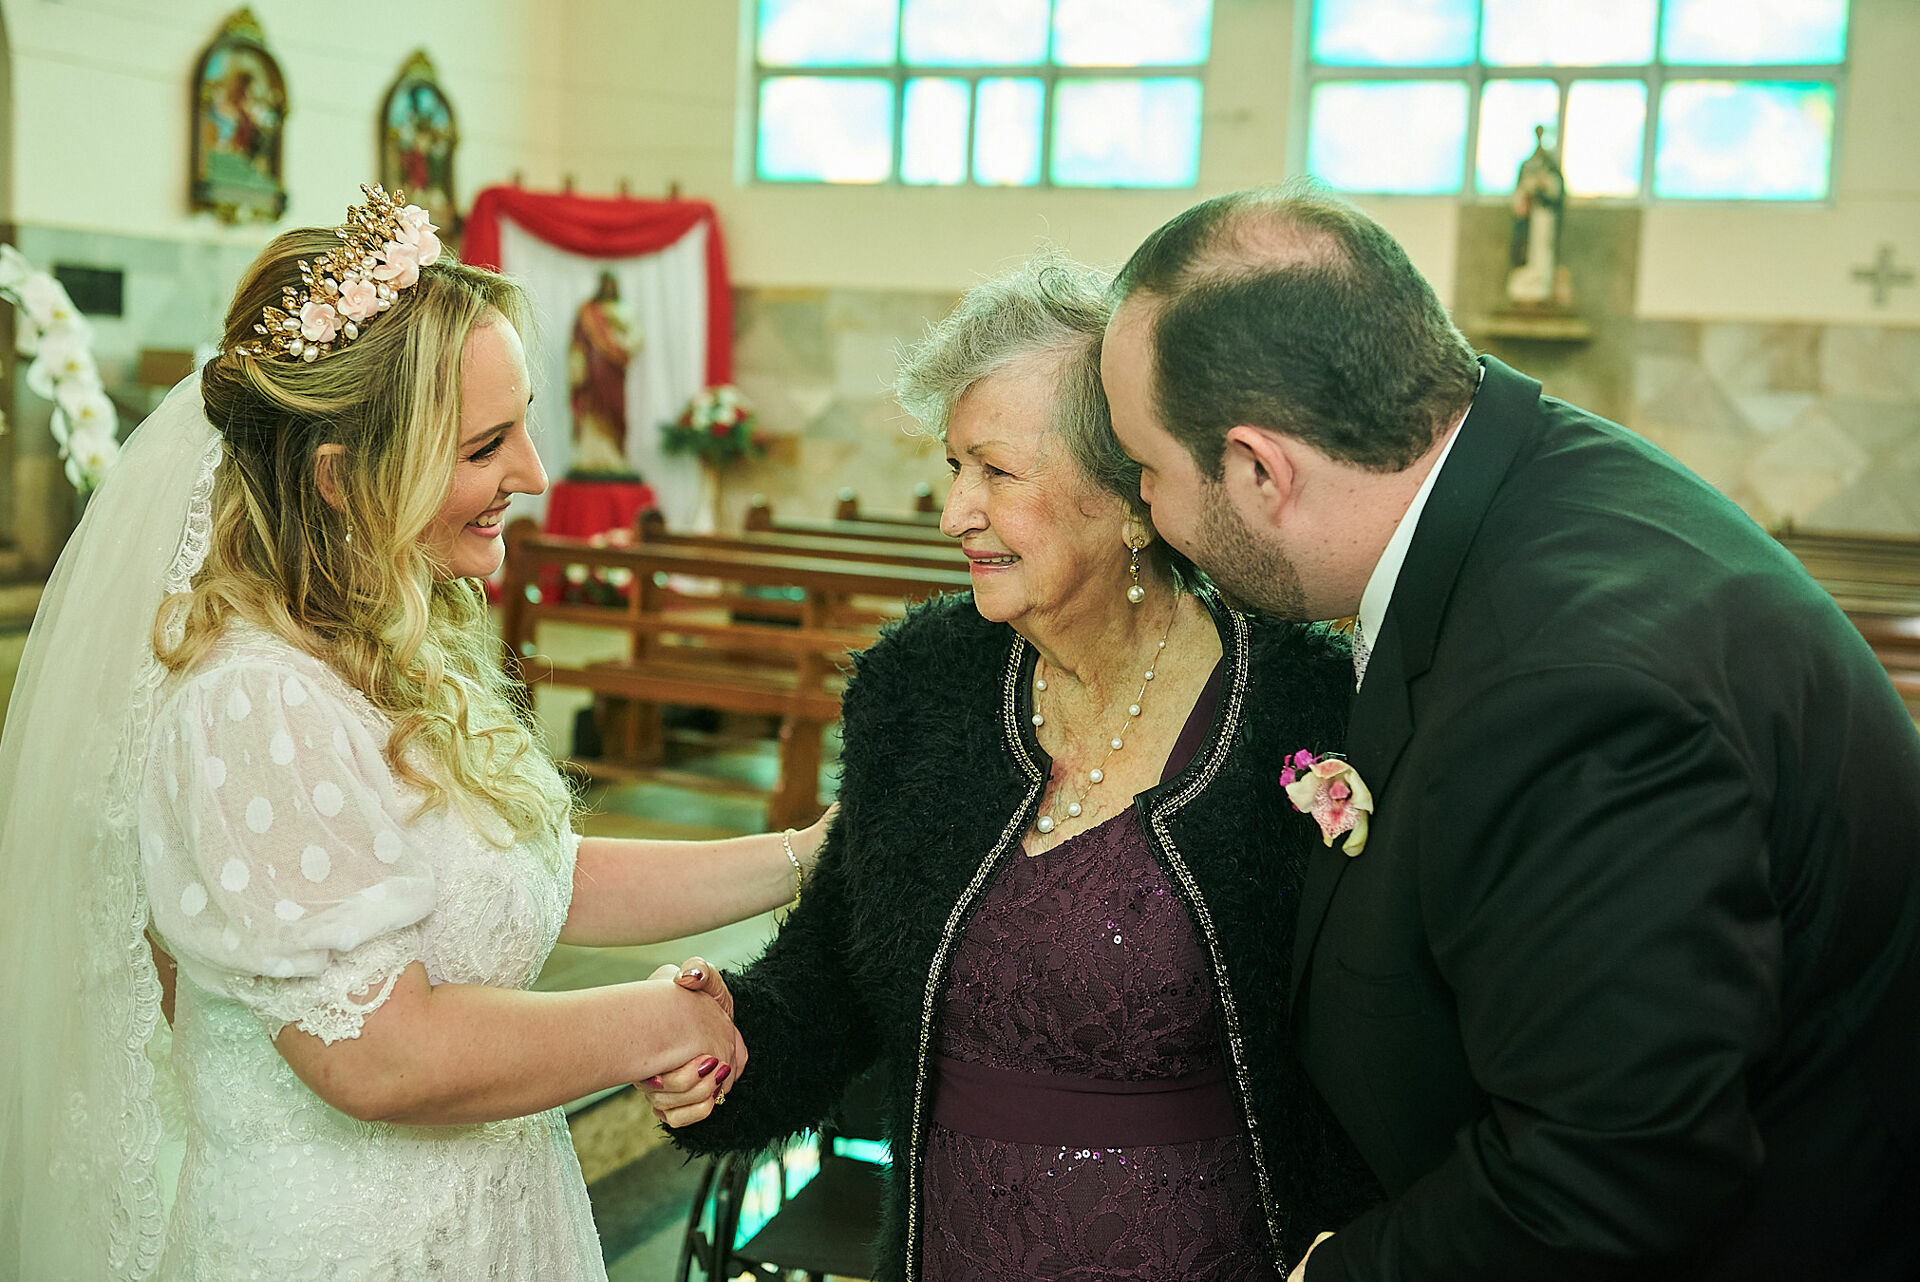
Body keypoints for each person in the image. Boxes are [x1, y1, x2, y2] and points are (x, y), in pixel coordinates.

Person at [0, 185, 828, 1280]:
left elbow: (538, 877)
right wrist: (655, 1022)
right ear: (346, 478)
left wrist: (813, 855)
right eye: (487, 445)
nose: (533, 474)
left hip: (495, 1221)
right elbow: (379, 1055)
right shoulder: (256, 699)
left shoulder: (397, 646)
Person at [1099, 183, 1920, 1280]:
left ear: (1258, 467)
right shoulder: (1522, 479)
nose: (1148, 513)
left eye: (1147, 471)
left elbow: (1618, 1172)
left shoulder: (1568, 693)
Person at [641, 252, 1381, 1281]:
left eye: (996, 471)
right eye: (953, 468)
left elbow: (1381, 1039)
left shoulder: (1300, 703)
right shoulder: (923, 683)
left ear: (1130, 499)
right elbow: (837, 972)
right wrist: (729, 1042)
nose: (955, 511)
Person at [568, 269, 643, 475]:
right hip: (592, 371)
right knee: (592, 410)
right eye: (605, 284)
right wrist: (578, 367)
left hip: (614, 373)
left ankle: (614, 458)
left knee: (614, 411)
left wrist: (620, 345)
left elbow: (636, 338)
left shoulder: (624, 310)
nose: (608, 288)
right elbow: (578, 344)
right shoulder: (588, 311)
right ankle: (590, 458)